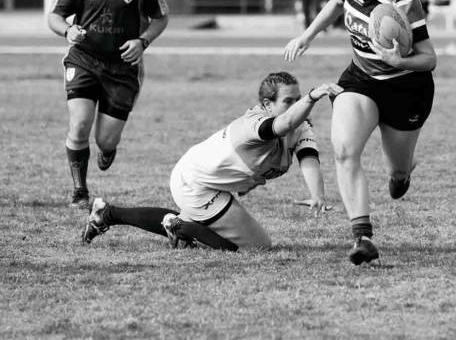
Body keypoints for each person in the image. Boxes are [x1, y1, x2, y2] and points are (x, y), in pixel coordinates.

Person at [284, 0, 437, 265]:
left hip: (406, 89)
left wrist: (400, 62)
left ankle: (402, 173)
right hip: (362, 81)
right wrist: (308, 35)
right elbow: (336, 3)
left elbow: (429, 58)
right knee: (343, 150)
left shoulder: (408, 3)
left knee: (396, 169)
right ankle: (362, 238)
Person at [82, 72, 341, 251]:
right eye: (289, 101)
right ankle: (179, 226)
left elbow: (309, 157)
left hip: (207, 180)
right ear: (267, 104)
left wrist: (317, 194)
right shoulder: (253, 125)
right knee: (257, 245)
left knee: (230, 236)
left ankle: (107, 213)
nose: (296, 106)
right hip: (194, 183)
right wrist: (312, 96)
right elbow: (282, 124)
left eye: (298, 100)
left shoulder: (301, 125)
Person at [47, 0, 169, 209]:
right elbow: (55, 16)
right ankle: (80, 192)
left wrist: (143, 41)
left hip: (123, 69)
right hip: (83, 59)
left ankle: (107, 148)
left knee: (105, 140)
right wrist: (67, 32)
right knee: (79, 125)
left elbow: (161, 18)